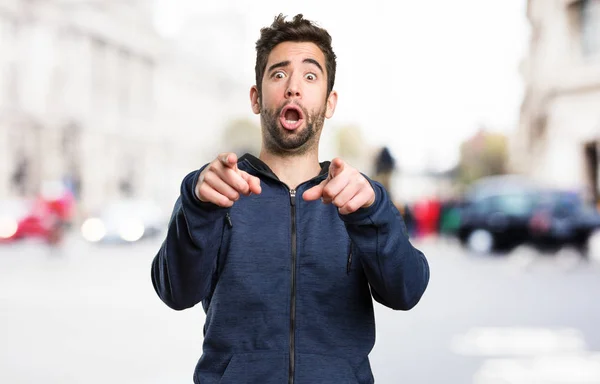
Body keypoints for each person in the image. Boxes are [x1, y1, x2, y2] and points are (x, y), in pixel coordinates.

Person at [151, 14, 430, 384]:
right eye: (279, 74)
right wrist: (198, 206)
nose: (293, 87)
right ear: (256, 97)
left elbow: (406, 291)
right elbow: (175, 291)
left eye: (310, 76)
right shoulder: (218, 190)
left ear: (329, 103)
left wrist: (372, 215)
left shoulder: (358, 197)